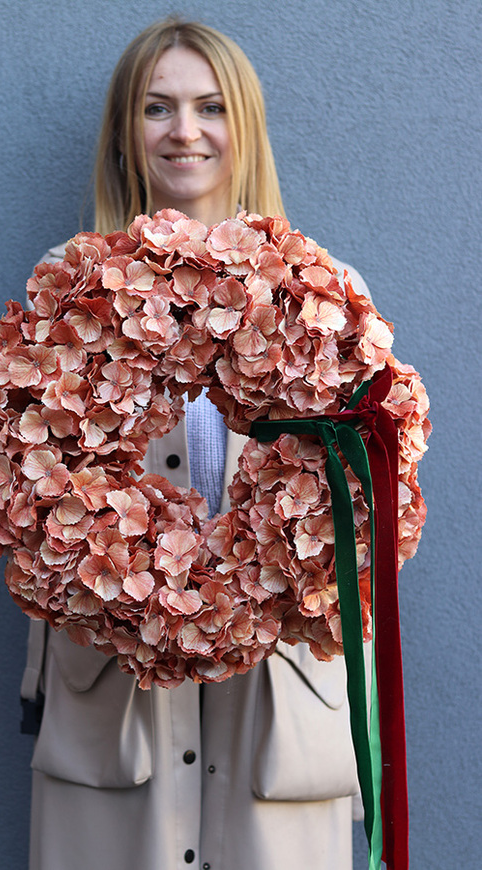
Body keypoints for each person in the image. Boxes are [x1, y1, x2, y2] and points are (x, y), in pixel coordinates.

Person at [21, 17, 371, 870]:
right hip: (118, 695)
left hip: (280, 704)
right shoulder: (65, 300)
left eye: (210, 106)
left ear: (242, 126)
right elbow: (28, 490)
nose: (185, 131)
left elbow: (366, 502)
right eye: (158, 107)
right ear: (124, 133)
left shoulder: (317, 300)